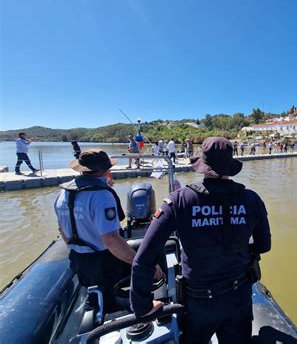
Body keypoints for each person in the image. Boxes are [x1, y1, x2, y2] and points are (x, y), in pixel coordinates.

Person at [130, 137, 271, 344]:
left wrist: (142, 308)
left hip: (200, 303)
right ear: (229, 166)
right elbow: (264, 246)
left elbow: (144, 258)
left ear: (202, 166)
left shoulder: (178, 201)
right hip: (238, 297)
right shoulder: (252, 199)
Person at [54, 149, 161, 312]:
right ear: (105, 170)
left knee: (99, 293)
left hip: (77, 259)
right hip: (102, 261)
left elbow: (61, 229)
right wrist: (145, 266)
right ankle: (143, 308)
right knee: (110, 299)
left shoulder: (63, 194)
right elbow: (111, 240)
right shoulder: (101, 196)